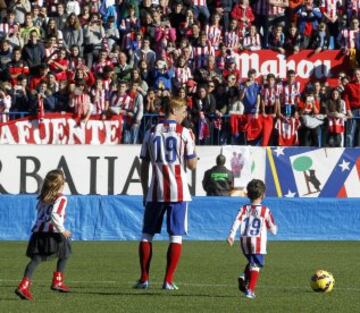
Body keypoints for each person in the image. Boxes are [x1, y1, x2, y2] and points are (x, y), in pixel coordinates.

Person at [135, 97, 197, 290]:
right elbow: (192, 165)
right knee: (176, 236)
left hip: (155, 191)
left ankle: (144, 278)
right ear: (173, 110)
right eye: (183, 111)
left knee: (147, 235)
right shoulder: (185, 133)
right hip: (178, 191)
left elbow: (143, 165)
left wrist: (145, 190)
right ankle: (168, 280)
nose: (185, 115)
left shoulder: (150, 132)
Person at [15, 169, 72, 301]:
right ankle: (57, 282)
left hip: (38, 233)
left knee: (36, 259)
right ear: (61, 184)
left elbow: (41, 213)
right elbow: (54, 215)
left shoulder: (43, 196)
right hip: (53, 232)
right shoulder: (61, 198)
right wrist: (62, 230)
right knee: (66, 252)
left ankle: (24, 286)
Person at [226, 179, 277, 299]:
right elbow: (273, 229)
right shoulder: (265, 210)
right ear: (263, 194)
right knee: (257, 265)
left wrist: (231, 235)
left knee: (252, 261)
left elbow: (237, 221)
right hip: (258, 241)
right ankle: (250, 290)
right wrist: (274, 229)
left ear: (248, 194)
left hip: (244, 240)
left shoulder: (244, 208)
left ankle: (244, 277)